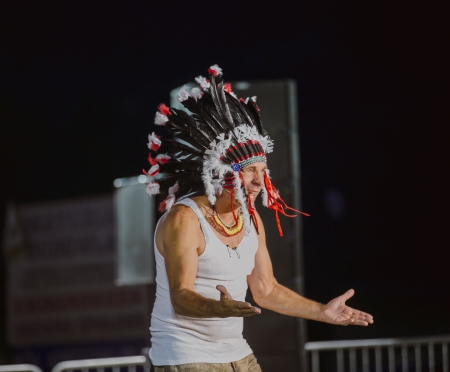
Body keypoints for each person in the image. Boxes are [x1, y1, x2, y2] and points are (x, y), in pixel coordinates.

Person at [144, 65, 373, 372]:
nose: (259, 181)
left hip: (237, 354)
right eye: (248, 171)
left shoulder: (250, 220)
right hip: (186, 357)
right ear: (221, 172)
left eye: (262, 171)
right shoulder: (185, 219)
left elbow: (265, 289)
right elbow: (181, 297)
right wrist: (219, 308)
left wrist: (322, 312)